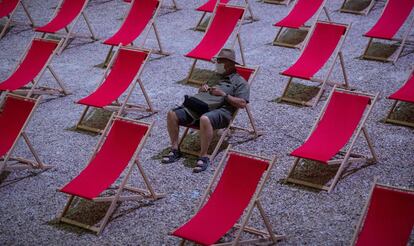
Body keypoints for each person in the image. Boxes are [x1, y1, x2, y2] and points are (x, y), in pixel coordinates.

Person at [162, 48, 250, 173]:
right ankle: (175, 149)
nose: (217, 64)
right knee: (172, 114)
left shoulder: (240, 82)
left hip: (222, 112)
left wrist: (224, 95)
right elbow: (202, 92)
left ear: (229, 64)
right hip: (201, 107)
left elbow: (242, 103)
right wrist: (202, 89)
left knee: (205, 118)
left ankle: (203, 156)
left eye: (220, 62)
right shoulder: (215, 76)